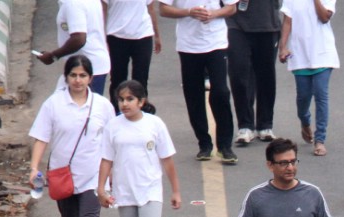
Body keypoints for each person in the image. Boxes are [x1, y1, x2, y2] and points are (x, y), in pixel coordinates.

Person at [29, 55, 112, 217]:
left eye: (82, 75)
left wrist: (111, 179)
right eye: (73, 75)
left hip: (93, 178)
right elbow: (41, 137)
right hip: (63, 176)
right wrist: (34, 168)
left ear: (91, 78)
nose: (78, 80)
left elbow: (111, 143)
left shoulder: (102, 106)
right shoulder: (53, 104)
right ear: (66, 77)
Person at [97, 81, 181, 217]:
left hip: (150, 189)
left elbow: (167, 159)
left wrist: (176, 191)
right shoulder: (113, 127)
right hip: (124, 192)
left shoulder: (154, 124)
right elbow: (107, 159)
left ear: (141, 101)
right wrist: (101, 188)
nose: (125, 104)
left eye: (130, 99)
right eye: (121, 100)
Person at [159, 0, 238, 164]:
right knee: (193, 94)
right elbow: (163, 9)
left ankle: (225, 147)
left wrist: (214, 14)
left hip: (216, 42)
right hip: (188, 45)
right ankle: (204, 144)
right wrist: (189, 12)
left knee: (221, 92)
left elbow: (231, 8)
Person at [278, 0, 337, 157]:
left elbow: (325, 17)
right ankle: (305, 122)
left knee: (321, 95)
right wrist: (282, 47)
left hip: (323, 54)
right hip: (300, 55)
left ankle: (320, 140)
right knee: (303, 98)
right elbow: (287, 22)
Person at [228, 0, 280, 145]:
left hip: (267, 23)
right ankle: (245, 126)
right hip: (236, 24)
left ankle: (265, 125)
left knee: (266, 76)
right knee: (238, 74)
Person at [39, 0, 111, 96]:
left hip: (86, 68)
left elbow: (79, 39)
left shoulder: (73, 4)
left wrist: (53, 56)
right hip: (92, 65)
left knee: (82, 108)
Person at [103, 0, 160, 112]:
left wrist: (157, 35)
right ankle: (116, 111)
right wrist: (102, 37)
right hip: (116, 35)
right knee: (117, 78)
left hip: (143, 35)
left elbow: (151, 9)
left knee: (141, 79)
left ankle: (141, 112)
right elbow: (102, 11)